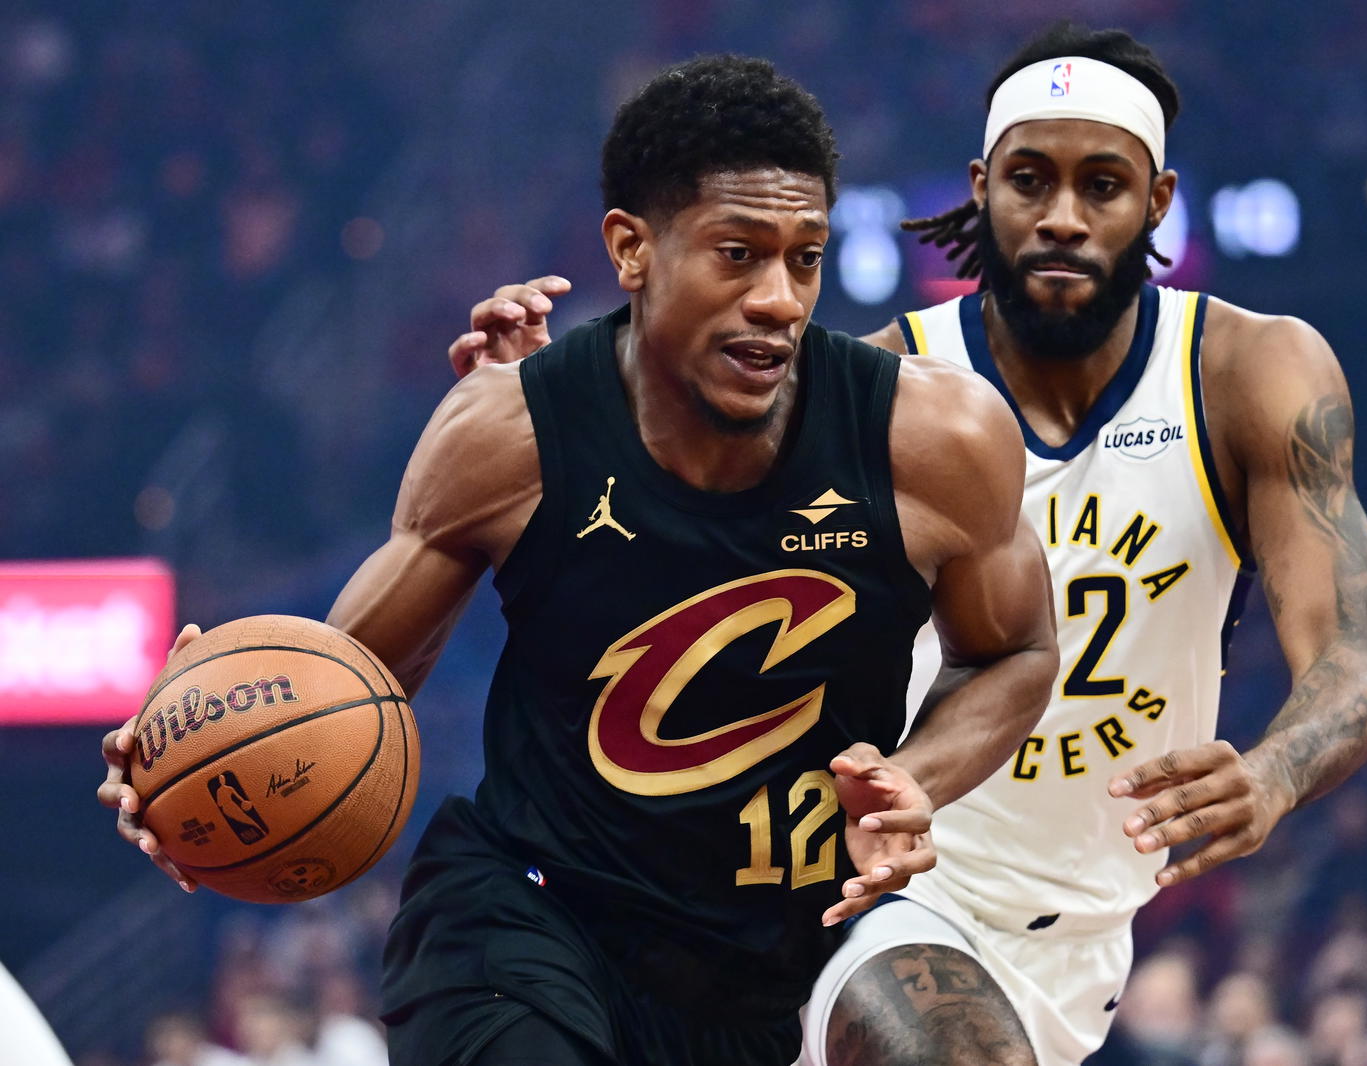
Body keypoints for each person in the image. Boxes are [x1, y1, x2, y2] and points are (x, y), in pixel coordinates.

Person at [449, 21, 1367, 1066]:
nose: (1063, 218)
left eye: (1103, 186)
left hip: (1084, 933)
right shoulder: (881, 391)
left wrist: (1273, 773)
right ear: (982, 187)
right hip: (879, 887)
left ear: (1157, 201)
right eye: (1030, 181)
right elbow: (684, 551)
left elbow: (1351, 664)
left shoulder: (1249, 373)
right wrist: (568, 411)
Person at [97, 55, 1060, 1066]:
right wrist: (201, 737)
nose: (780, 297)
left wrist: (919, 773)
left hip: (775, 957)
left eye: (805, 257)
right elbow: (344, 680)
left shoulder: (934, 438)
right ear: (631, 249)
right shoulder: (510, 433)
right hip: (530, 915)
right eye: (737, 254)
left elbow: (1018, 651)